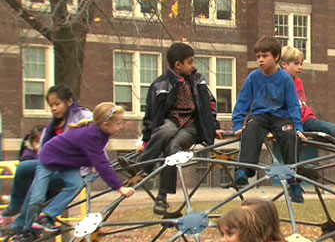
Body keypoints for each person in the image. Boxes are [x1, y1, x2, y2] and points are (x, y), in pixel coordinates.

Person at [16, 103, 134, 240]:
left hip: (67, 163)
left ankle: (46, 216)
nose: (121, 126)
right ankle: (27, 229)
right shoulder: (92, 135)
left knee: (76, 184)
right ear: (106, 124)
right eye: (119, 123)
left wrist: (93, 162)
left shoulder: (101, 133)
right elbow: (102, 164)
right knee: (37, 197)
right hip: (49, 159)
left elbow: (92, 155)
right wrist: (119, 188)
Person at [138, 42, 223, 215]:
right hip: (172, 121)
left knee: (172, 148)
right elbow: (150, 115)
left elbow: (210, 104)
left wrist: (213, 127)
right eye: (190, 62)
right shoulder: (161, 85)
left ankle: (162, 197)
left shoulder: (198, 81)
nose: (193, 66)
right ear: (178, 65)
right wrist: (146, 140)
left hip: (192, 126)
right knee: (165, 131)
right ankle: (141, 166)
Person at [0, 84, 92, 230]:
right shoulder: (54, 123)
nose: (54, 108)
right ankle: (15, 206)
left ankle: (24, 224)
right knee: (23, 168)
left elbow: (94, 131)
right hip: (51, 163)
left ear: (69, 102)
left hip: (71, 169)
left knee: (38, 186)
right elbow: (45, 145)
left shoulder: (81, 115)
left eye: (57, 104)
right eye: (51, 105)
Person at [232, 36, 306, 203]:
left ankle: (293, 180)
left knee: (290, 136)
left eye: (265, 56)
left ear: (276, 57)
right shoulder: (254, 77)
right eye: (258, 56)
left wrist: (298, 128)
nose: (260, 60)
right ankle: (243, 170)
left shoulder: (285, 79)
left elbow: (294, 105)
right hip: (260, 116)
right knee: (250, 130)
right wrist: (238, 124)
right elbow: (243, 101)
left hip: (281, 116)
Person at [279, 46, 335, 181]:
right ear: (284, 65)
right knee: (293, 143)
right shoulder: (278, 83)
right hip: (291, 124)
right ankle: (296, 174)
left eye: (301, 63)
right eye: (296, 64)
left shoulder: (298, 81)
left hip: (306, 120)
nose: (300, 67)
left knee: (334, 130)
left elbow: (302, 104)